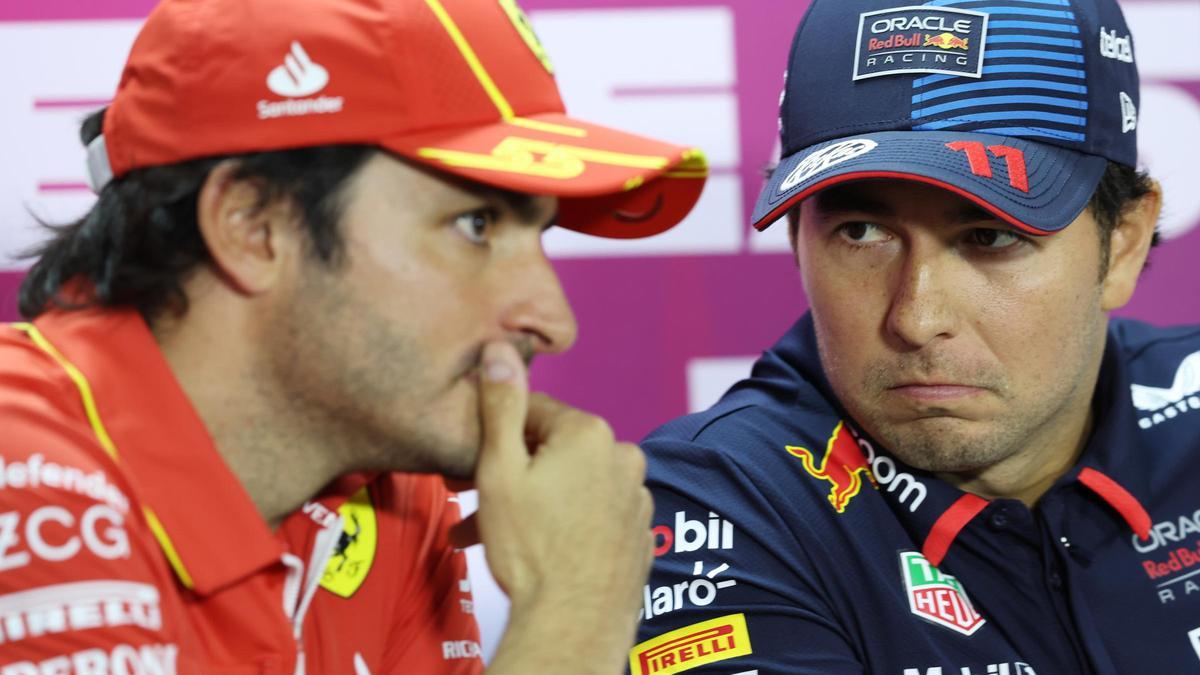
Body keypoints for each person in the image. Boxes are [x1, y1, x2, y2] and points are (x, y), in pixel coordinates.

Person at [0, 0, 708, 672]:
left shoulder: (386, 497)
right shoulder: (26, 479)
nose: (555, 323)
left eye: (538, 232)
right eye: (477, 224)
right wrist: (575, 608)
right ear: (254, 226)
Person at [631, 0, 1200, 673]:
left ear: (1124, 243)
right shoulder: (719, 500)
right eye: (861, 233)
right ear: (796, 241)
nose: (916, 317)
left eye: (989, 236)